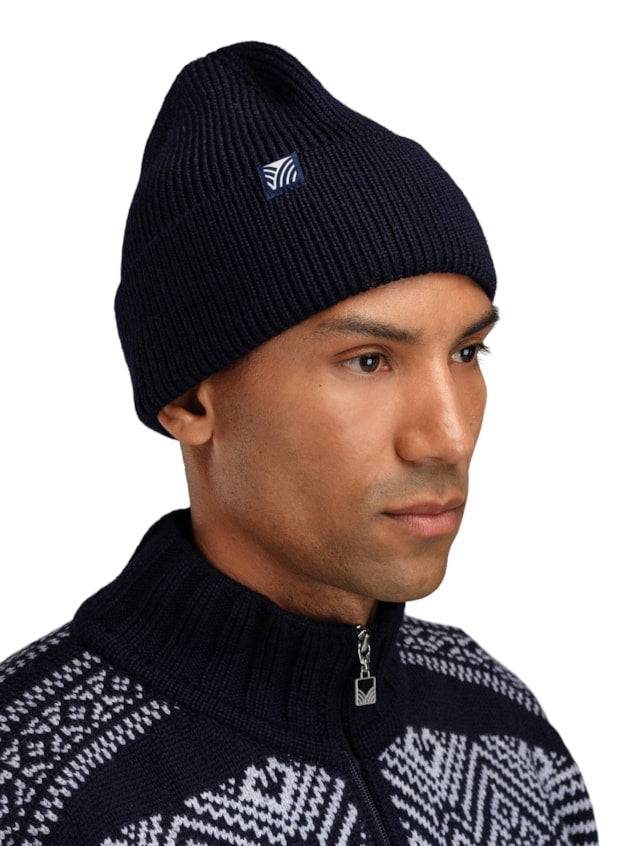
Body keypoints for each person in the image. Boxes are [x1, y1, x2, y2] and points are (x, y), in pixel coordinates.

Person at [0, 41, 597, 845]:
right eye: (368, 360)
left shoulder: (503, 728)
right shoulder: (28, 791)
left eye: (466, 352)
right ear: (188, 399)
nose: (448, 436)